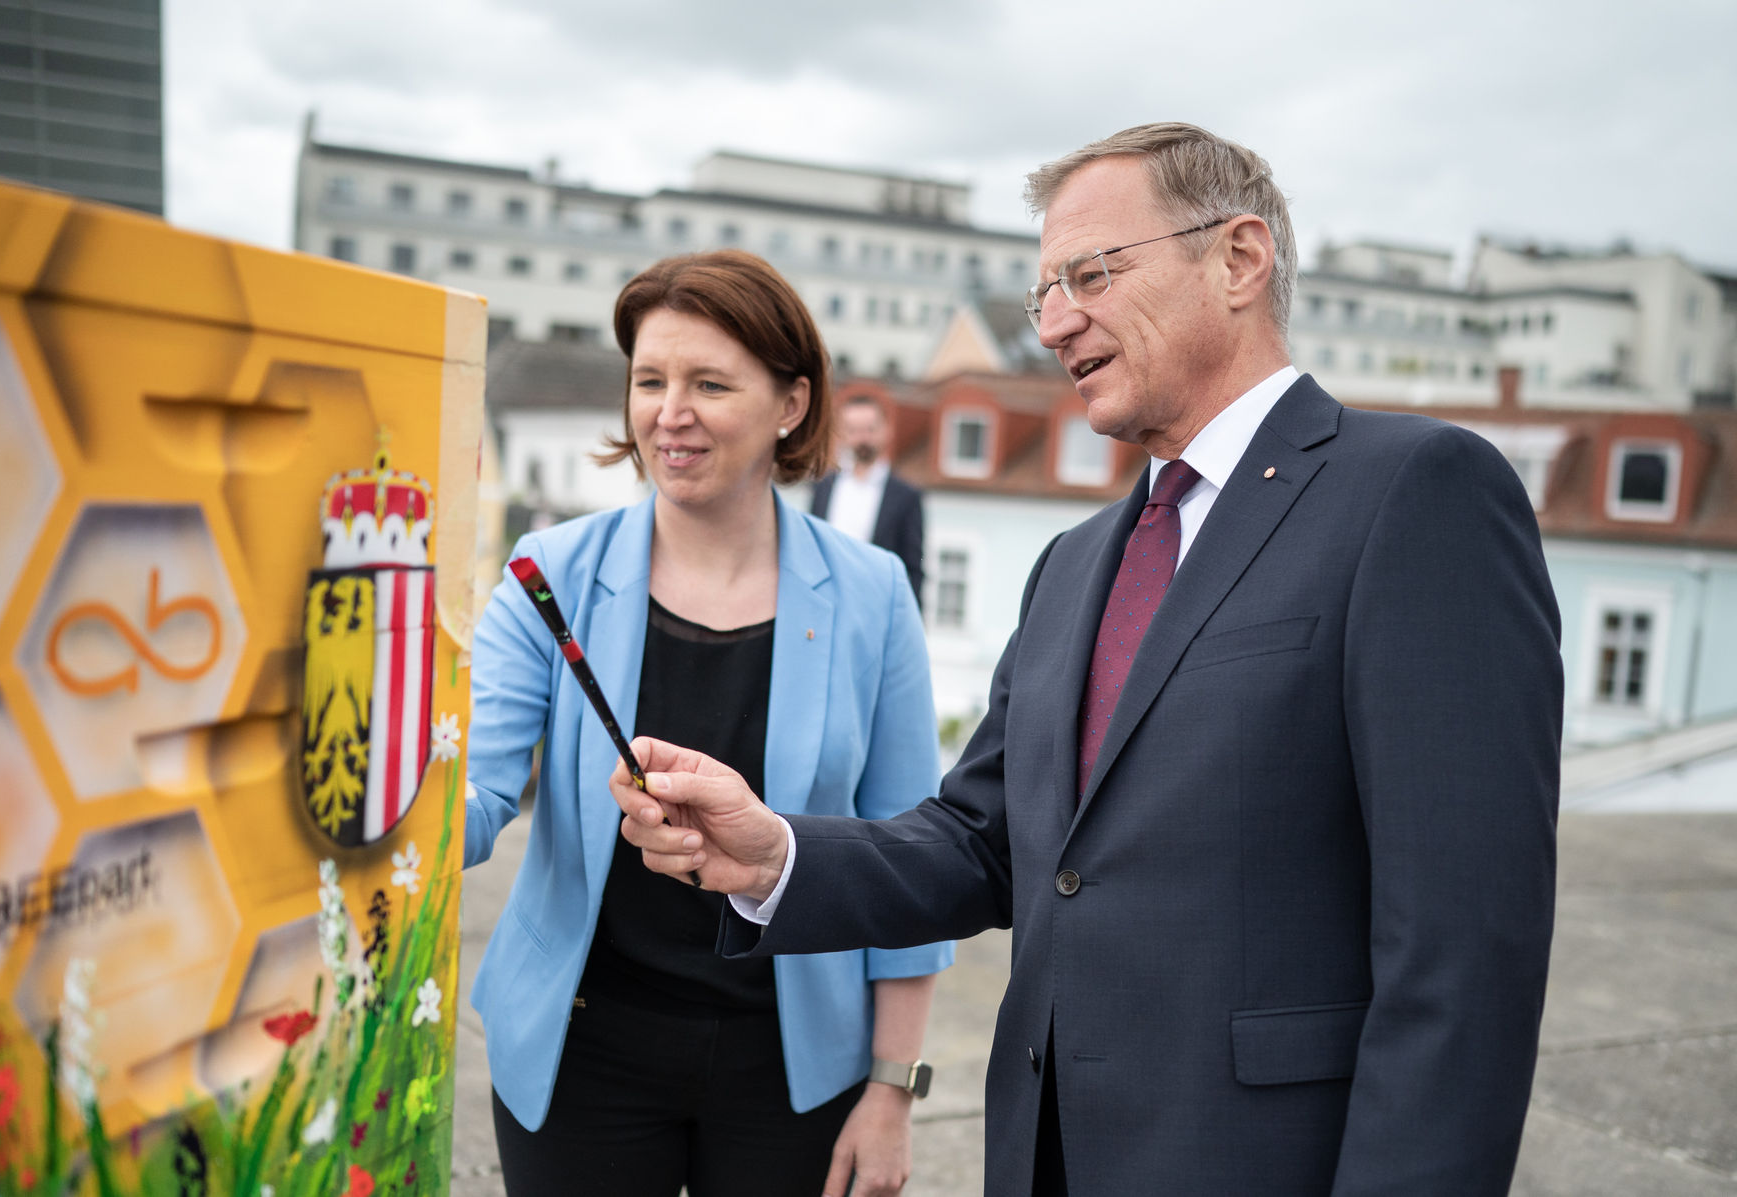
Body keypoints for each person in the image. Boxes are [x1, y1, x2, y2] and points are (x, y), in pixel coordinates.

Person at [612, 124, 1564, 1196]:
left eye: (1090, 275)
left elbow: (1463, 956)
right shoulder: (1073, 564)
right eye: (1042, 295)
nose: (1057, 322)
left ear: (1239, 260)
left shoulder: (1417, 493)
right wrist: (775, 855)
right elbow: (983, 843)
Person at [464, 249, 952, 1197]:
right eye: (650, 380)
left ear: (791, 404)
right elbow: (475, 795)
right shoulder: (547, 571)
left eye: (708, 383)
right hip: (579, 1050)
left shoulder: (871, 593)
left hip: (796, 1065)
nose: (667, 412)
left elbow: (911, 860)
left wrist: (892, 1091)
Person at [809, 393, 926, 606]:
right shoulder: (822, 488)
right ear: (842, 434)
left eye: (870, 429)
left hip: (878, 608)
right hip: (826, 605)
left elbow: (914, 568)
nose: (863, 438)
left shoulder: (906, 496)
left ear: (886, 431)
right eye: (853, 430)